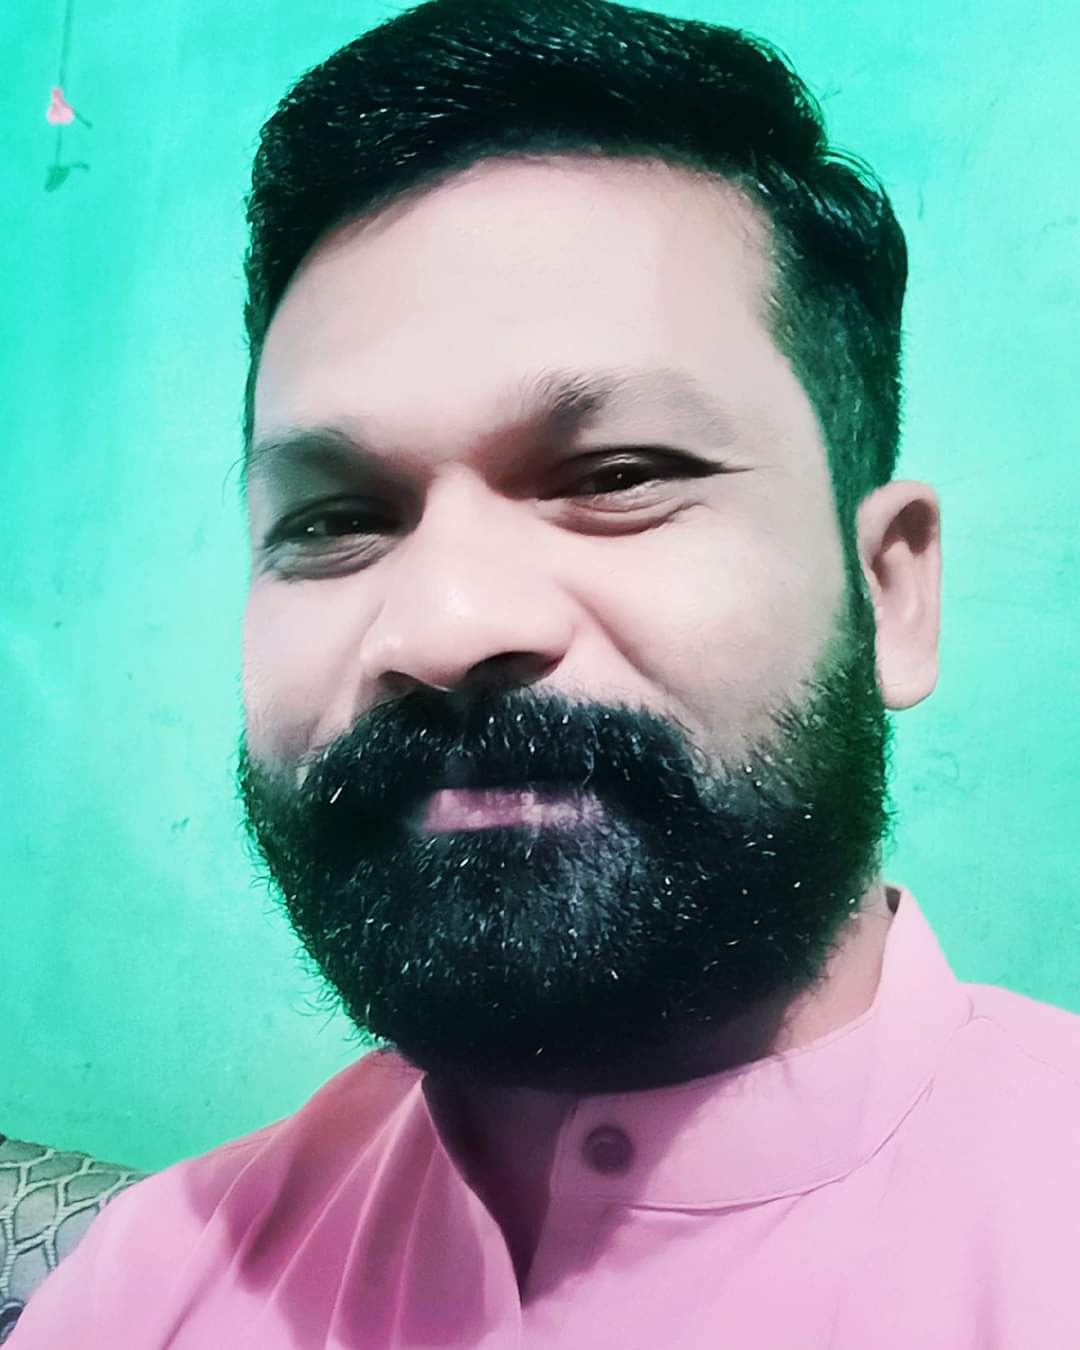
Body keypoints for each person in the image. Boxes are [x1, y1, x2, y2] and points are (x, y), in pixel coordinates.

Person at [12, 0, 1080, 1345]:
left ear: (891, 593)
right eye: (333, 520)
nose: (445, 623)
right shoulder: (146, 1285)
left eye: (617, 474)